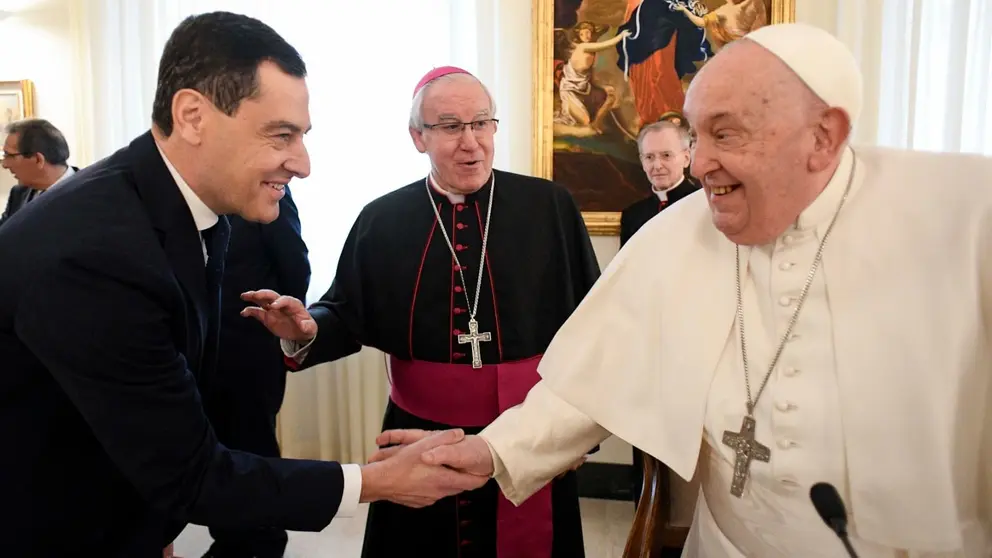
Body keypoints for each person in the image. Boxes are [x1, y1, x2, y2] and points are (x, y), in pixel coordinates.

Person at [373, 23, 992, 558]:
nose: (696, 166)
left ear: (823, 136)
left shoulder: (967, 217)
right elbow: (594, 379)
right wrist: (491, 451)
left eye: (726, 135)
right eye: (697, 136)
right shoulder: (680, 233)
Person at [0, 12, 482, 558]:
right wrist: (377, 482)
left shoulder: (188, 203)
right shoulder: (97, 254)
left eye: (482, 123)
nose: (302, 164)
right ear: (193, 116)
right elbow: (190, 472)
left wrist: (154, 527)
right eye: (281, 135)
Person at [241, 66, 601, 558]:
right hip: (420, 437)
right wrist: (304, 330)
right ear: (418, 137)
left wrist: (576, 433)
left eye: (482, 123)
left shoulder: (549, 207)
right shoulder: (383, 219)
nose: (470, 142)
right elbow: (345, 315)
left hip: (528, 431)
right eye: (451, 127)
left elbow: (592, 330)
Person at [201, 185, 310, 558]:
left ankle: (263, 542)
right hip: (195, 355)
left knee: (253, 449)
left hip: (249, 352)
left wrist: (280, 330)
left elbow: (294, 264)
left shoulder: (265, 188)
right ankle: (229, 539)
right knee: (213, 452)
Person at [620, 119, 698, 247]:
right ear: (642, 162)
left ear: (686, 158)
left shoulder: (706, 206)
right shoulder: (632, 216)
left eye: (666, 155)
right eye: (649, 157)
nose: (657, 166)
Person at [0, 118, 78, 226]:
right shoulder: (18, 194)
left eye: (9, 156)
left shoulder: (90, 192)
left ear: (38, 159)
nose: (4, 164)